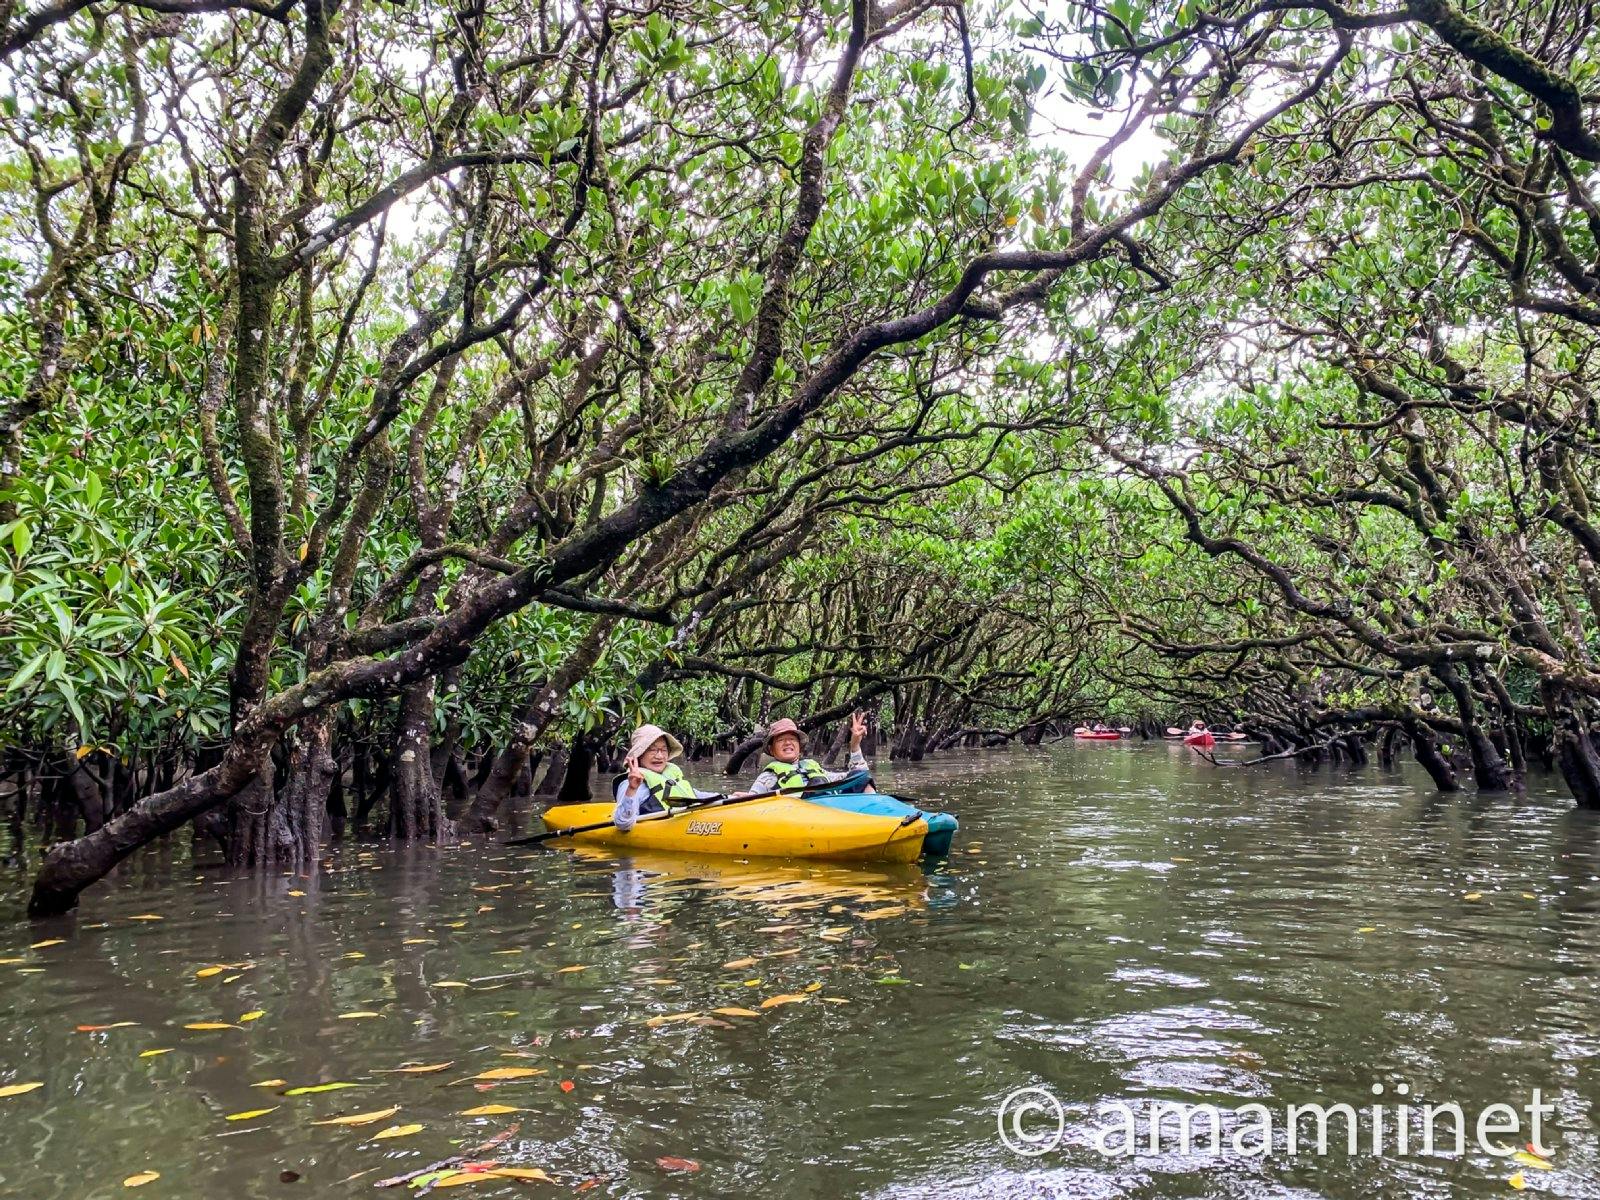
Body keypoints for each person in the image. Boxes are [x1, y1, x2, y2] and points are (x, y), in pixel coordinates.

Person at [612, 723, 716, 832]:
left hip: (686, 822)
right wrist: (632, 789)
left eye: (663, 750)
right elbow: (622, 824)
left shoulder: (669, 774)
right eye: (652, 750)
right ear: (639, 754)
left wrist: (729, 797)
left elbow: (695, 795)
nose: (659, 756)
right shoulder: (630, 783)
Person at [743, 712, 872, 795]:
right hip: (800, 817)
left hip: (830, 810)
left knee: (861, 776)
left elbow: (858, 775)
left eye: (792, 739)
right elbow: (750, 799)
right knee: (817, 784)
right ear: (772, 750)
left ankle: (878, 816)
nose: (787, 743)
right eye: (781, 740)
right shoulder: (767, 777)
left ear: (799, 747)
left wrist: (854, 745)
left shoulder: (814, 768)